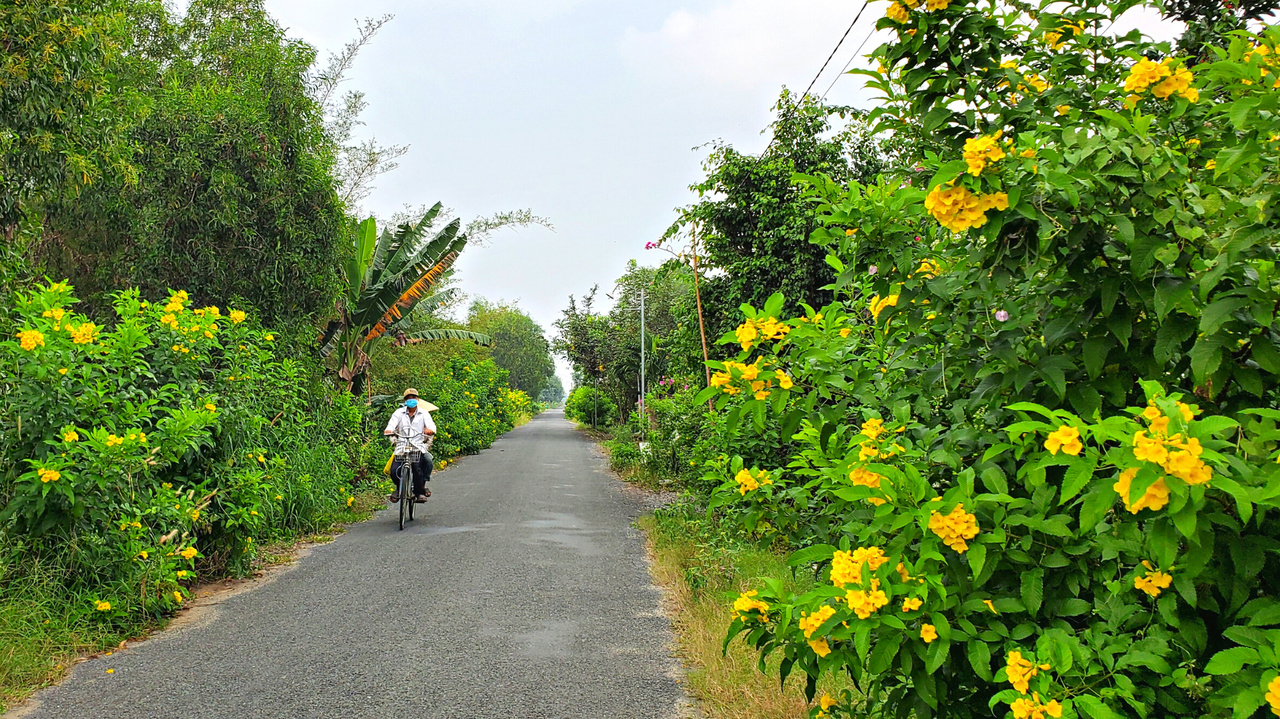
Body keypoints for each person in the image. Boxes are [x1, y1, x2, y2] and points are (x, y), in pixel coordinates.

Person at [383, 388, 436, 503]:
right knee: (394, 470)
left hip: (417, 446)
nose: (411, 400)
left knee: (418, 467)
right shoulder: (398, 413)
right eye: (408, 398)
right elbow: (391, 425)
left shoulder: (424, 413)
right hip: (402, 446)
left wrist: (430, 430)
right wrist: (389, 430)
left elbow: (431, 426)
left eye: (413, 397)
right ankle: (399, 488)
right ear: (405, 400)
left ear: (417, 399)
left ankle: (419, 491)